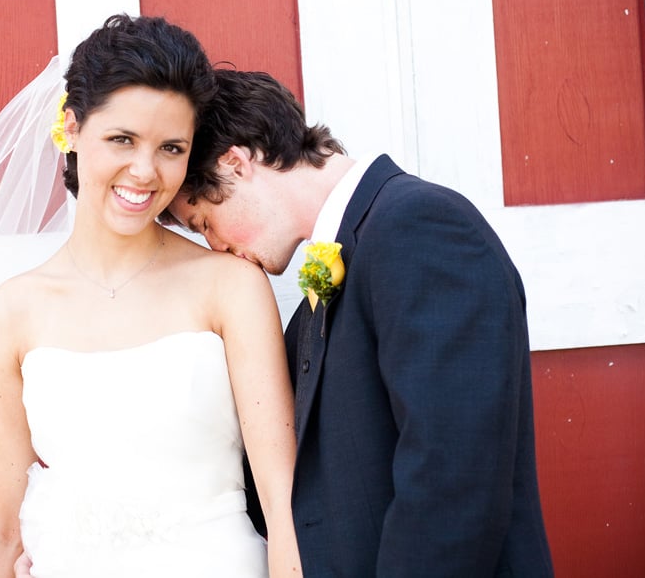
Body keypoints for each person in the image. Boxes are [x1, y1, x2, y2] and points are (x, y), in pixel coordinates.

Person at [163, 69, 555, 576]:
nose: (217, 247)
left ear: (236, 164)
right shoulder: (342, 258)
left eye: (204, 223)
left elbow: (453, 481)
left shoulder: (419, 227)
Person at [0, 16, 302, 577]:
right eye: (122, 139)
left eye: (171, 147)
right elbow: (1, 530)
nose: (145, 172)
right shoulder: (9, 315)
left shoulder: (231, 288)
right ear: (71, 129)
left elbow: (283, 500)